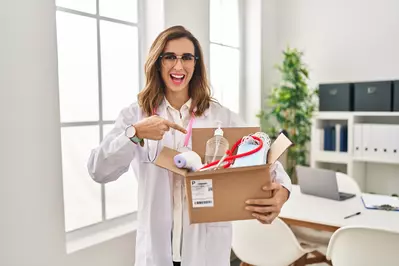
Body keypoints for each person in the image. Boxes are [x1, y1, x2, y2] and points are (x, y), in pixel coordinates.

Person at [87, 25, 292, 266]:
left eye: (186, 57)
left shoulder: (220, 117)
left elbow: (266, 160)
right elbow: (98, 170)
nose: (178, 65)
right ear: (157, 62)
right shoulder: (136, 115)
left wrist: (283, 192)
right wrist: (135, 133)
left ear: (196, 64)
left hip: (206, 249)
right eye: (170, 57)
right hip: (156, 250)